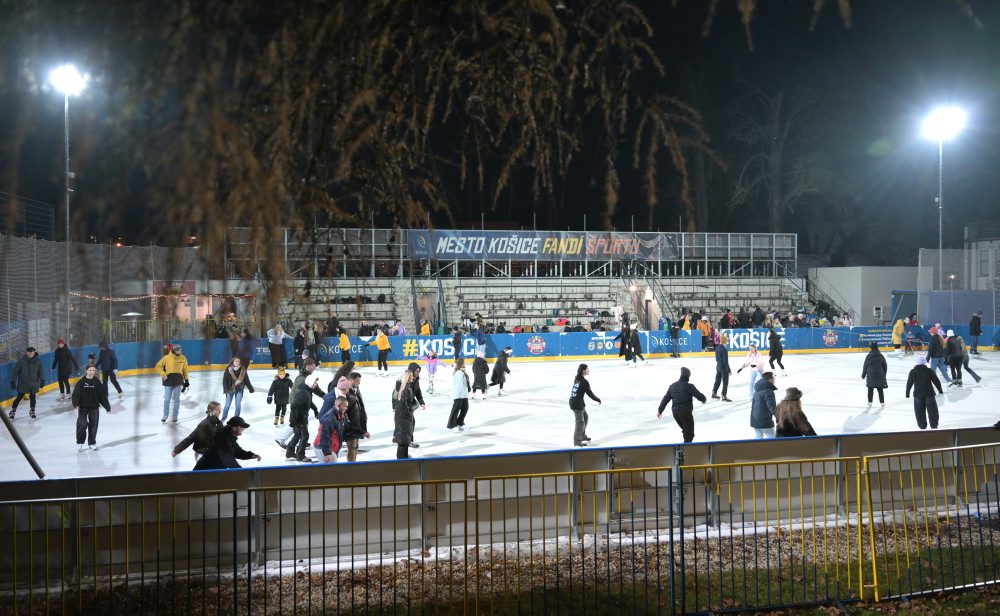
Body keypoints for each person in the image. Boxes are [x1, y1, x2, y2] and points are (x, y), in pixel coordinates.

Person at [656, 367, 707, 443]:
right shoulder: (689, 386)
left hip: (675, 413)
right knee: (689, 434)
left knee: (686, 431)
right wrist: (703, 400)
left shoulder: (672, 386)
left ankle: (684, 449)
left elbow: (665, 399)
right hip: (685, 413)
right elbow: (700, 396)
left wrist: (660, 410)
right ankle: (684, 451)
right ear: (688, 376)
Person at [193, 416, 261, 470]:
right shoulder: (223, 439)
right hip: (205, 471)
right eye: (241, 427)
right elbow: (228, 460)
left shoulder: (229, 437)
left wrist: (251, 455)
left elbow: (237, 451)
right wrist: (241, 473)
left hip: (213, 471)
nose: (243, 429)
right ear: (234, 428)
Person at [71, 364, 111, 451]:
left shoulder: (97, 382)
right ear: (86, 371)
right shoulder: (81, 382)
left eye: (93, 370)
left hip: (94, 407)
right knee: (82, 424)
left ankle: (92, 443)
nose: (92, 372)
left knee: (93, 425)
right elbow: (75, 394)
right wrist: (76, 404)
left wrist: (107, 407)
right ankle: (80, 442)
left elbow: (102, 396)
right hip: (83, 407)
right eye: (90, 370)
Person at [286, 369, 322, 462]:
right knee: (305, 436)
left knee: (297, 435)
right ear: (310, 382)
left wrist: (315, 410)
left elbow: (309, 401)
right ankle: (300, 456)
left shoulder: (307, 390)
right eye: (314, 383)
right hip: (300, 418)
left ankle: (289, 453)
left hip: (300, 416)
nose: (315, 385)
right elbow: (294, 406)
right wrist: (293, 420)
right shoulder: (303, 393)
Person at [393, 365, 426, 459]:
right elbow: (402, 403)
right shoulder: (404, 388)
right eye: (415, 372)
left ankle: (404, 455)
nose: (416, 374)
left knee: (405, 436)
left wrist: (420, 403)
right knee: (403, 438)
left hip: (405, 415)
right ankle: (402, 458)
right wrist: (413, 407)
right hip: (404, 416)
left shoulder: (411, 384)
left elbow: (418, 393)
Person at [906, 355, 944, 430]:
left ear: (917, 363)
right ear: (924, 362)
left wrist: (907, 393)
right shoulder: (929, 371)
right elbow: (936, 381)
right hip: (929, 394)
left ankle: (922, 426)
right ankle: (934, 426)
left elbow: (909, 383)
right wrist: (940, 390)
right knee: (932, 411)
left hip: (918, 395)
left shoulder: (913, 371)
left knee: (919, 412)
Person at [154, 344, 190, 423]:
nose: (179, 351)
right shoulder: (167, 358)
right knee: (167, 399)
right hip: (168, 381)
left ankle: (175, 415)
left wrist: (187, 380)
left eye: (180, 350)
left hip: (178, 381)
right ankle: (165, 415)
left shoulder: (183, 358)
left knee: (176, 399)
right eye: (178, 350)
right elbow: (158, 366)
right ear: (174, 350)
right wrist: (164, 374)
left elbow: (185, 370)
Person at [569, 363, 601, 447]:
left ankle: (582, 436)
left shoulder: (577, 378)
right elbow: (590, 394)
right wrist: (597, 399)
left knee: (585, 417)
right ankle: (577, 442)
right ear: (583, 371)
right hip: (576, 404)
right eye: (587, 369)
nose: (588, 370)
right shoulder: (584, 382)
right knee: (580, 422)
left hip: (577, 402)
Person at [9, 347, 44, 419]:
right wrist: (13, 381)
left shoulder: (38, 362)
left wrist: (43, 380)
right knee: (19, 397)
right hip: (23, 383)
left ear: (34, 352)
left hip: (33, 383)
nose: (30, 355)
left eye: (31, 353)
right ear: (26, 353)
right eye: (28, 354)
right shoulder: (22, 361)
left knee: (33, 397)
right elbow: (15, 372)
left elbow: (41, 372)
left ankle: (32, 410)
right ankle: (13, 411)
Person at [343, 373, 370, 461]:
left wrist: (363, 429)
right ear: (350, 380)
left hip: (357, 426)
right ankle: (350, 469)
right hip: (351, 428)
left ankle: (353, 466)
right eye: (357, 381)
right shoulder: (346, 393)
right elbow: (343, 412)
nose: (359, 383)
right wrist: (349, 425)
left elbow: (360, 410)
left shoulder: (356, 391)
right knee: (352, 448)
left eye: (359, 381)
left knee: (355, 447)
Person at [318, 395, 350, 463]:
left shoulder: (341, 415)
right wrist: (327, 453)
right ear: (338, 405)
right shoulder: (330, 418)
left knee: (330, 471)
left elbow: (345, 429)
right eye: (345, 406)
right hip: (322, 447)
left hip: (331, 448)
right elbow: (325, 436)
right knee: (331, 471)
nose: (346, 408)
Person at [750, 371, 778, 439]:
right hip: (764, 421)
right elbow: (772, 407)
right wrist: (779, 417)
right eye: (774, 378)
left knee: (758, 438)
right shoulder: (768, 391)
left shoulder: (757, 391)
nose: (774, 380)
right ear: (770, 379)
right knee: (773, 439)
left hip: (755, 420)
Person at [446, 358, 472, 430]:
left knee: (465, 408)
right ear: (461, 363)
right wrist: (464, 394)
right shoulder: (459, 373)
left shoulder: (462, 372)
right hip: (459, 395)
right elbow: (460, 385)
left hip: (463, 394)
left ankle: (460, 423)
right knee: (455, 410)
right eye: (464, 362)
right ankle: (451, 425)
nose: (465, 363)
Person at [861, 341, 888, 407]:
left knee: (870, 388)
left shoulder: (868, 356)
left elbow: (865, 366)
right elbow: (885, 366)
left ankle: (870, 402)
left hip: (870, 375)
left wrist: (863, 375)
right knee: (880, 389)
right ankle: (882, 402)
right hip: (880, 374)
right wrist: (883, 374)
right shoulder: (881, 356)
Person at [712, 334, 732, 402]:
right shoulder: (724, 350)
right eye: (726, 341)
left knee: (718, 379)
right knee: (725, 381)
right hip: (723, 367)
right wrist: (729, 370)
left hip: (718, 366)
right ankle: (724, 395)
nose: (727, 342)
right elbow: (725, 362)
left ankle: (714, 392)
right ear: (725, 341)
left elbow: (716, 358)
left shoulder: (717, 348)